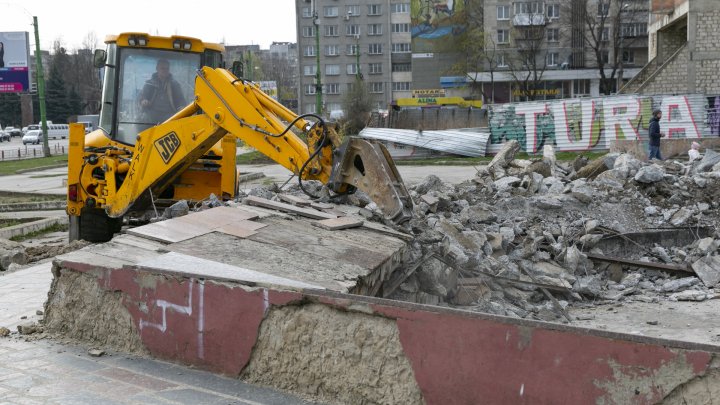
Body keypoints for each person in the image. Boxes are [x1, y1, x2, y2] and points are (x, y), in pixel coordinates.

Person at [139, 59, 185, 124]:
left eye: (167, 69)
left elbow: (181, 100)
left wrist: (181, 107)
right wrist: (144, 101)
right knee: (143, 119)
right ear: (157, 69)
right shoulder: (149, 84)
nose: (165, 71)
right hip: (152, 114)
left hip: (169, 115)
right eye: (162, 68)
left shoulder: (174, 85)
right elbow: (143, 97)